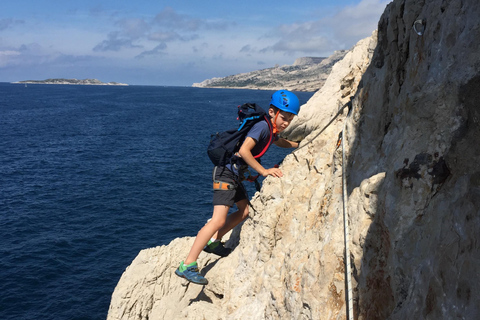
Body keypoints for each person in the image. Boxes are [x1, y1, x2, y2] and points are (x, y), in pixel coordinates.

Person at [175, 90, 301, 285]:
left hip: (234, 175)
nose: (286, 123)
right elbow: (244, 151)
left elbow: (279, 141)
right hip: (226, 174)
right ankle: (187, 265)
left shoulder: (269, 129)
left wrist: (297, 144)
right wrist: (264, 170)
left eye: (290, 120)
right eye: (284, 117)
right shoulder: (263, 127)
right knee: (217, 220)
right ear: (272, 112)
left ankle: (214, 242)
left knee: (244, 211)